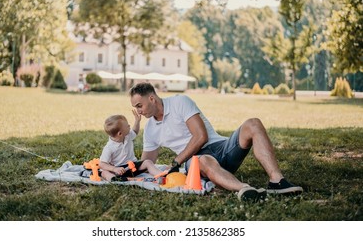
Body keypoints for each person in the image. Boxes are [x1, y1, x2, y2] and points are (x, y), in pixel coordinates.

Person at [129, 82, 303, 201]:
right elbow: (148, 162)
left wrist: (176, 162)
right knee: (201, 160)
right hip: (198, 162)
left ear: (151, 98)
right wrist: (125, 170)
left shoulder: (179, 102)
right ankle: (245, 189)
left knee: (253, 123)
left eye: (139, 105)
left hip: (220, 148)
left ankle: (277, 181)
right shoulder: (150, 129)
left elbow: (201, 136)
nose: (138, 111)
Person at [99, 110, 162, 182]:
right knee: (104, 172)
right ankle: (116, 179)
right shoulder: (109, 148)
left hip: (132, 167)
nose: (129, 126)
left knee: (147, 162)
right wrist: (114, 169)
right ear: (120, 133)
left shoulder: (127, 136)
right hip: (119, 171)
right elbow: (102, 164)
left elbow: (135, 131)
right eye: (127, 126)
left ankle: (161, 175)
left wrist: (137, 121)